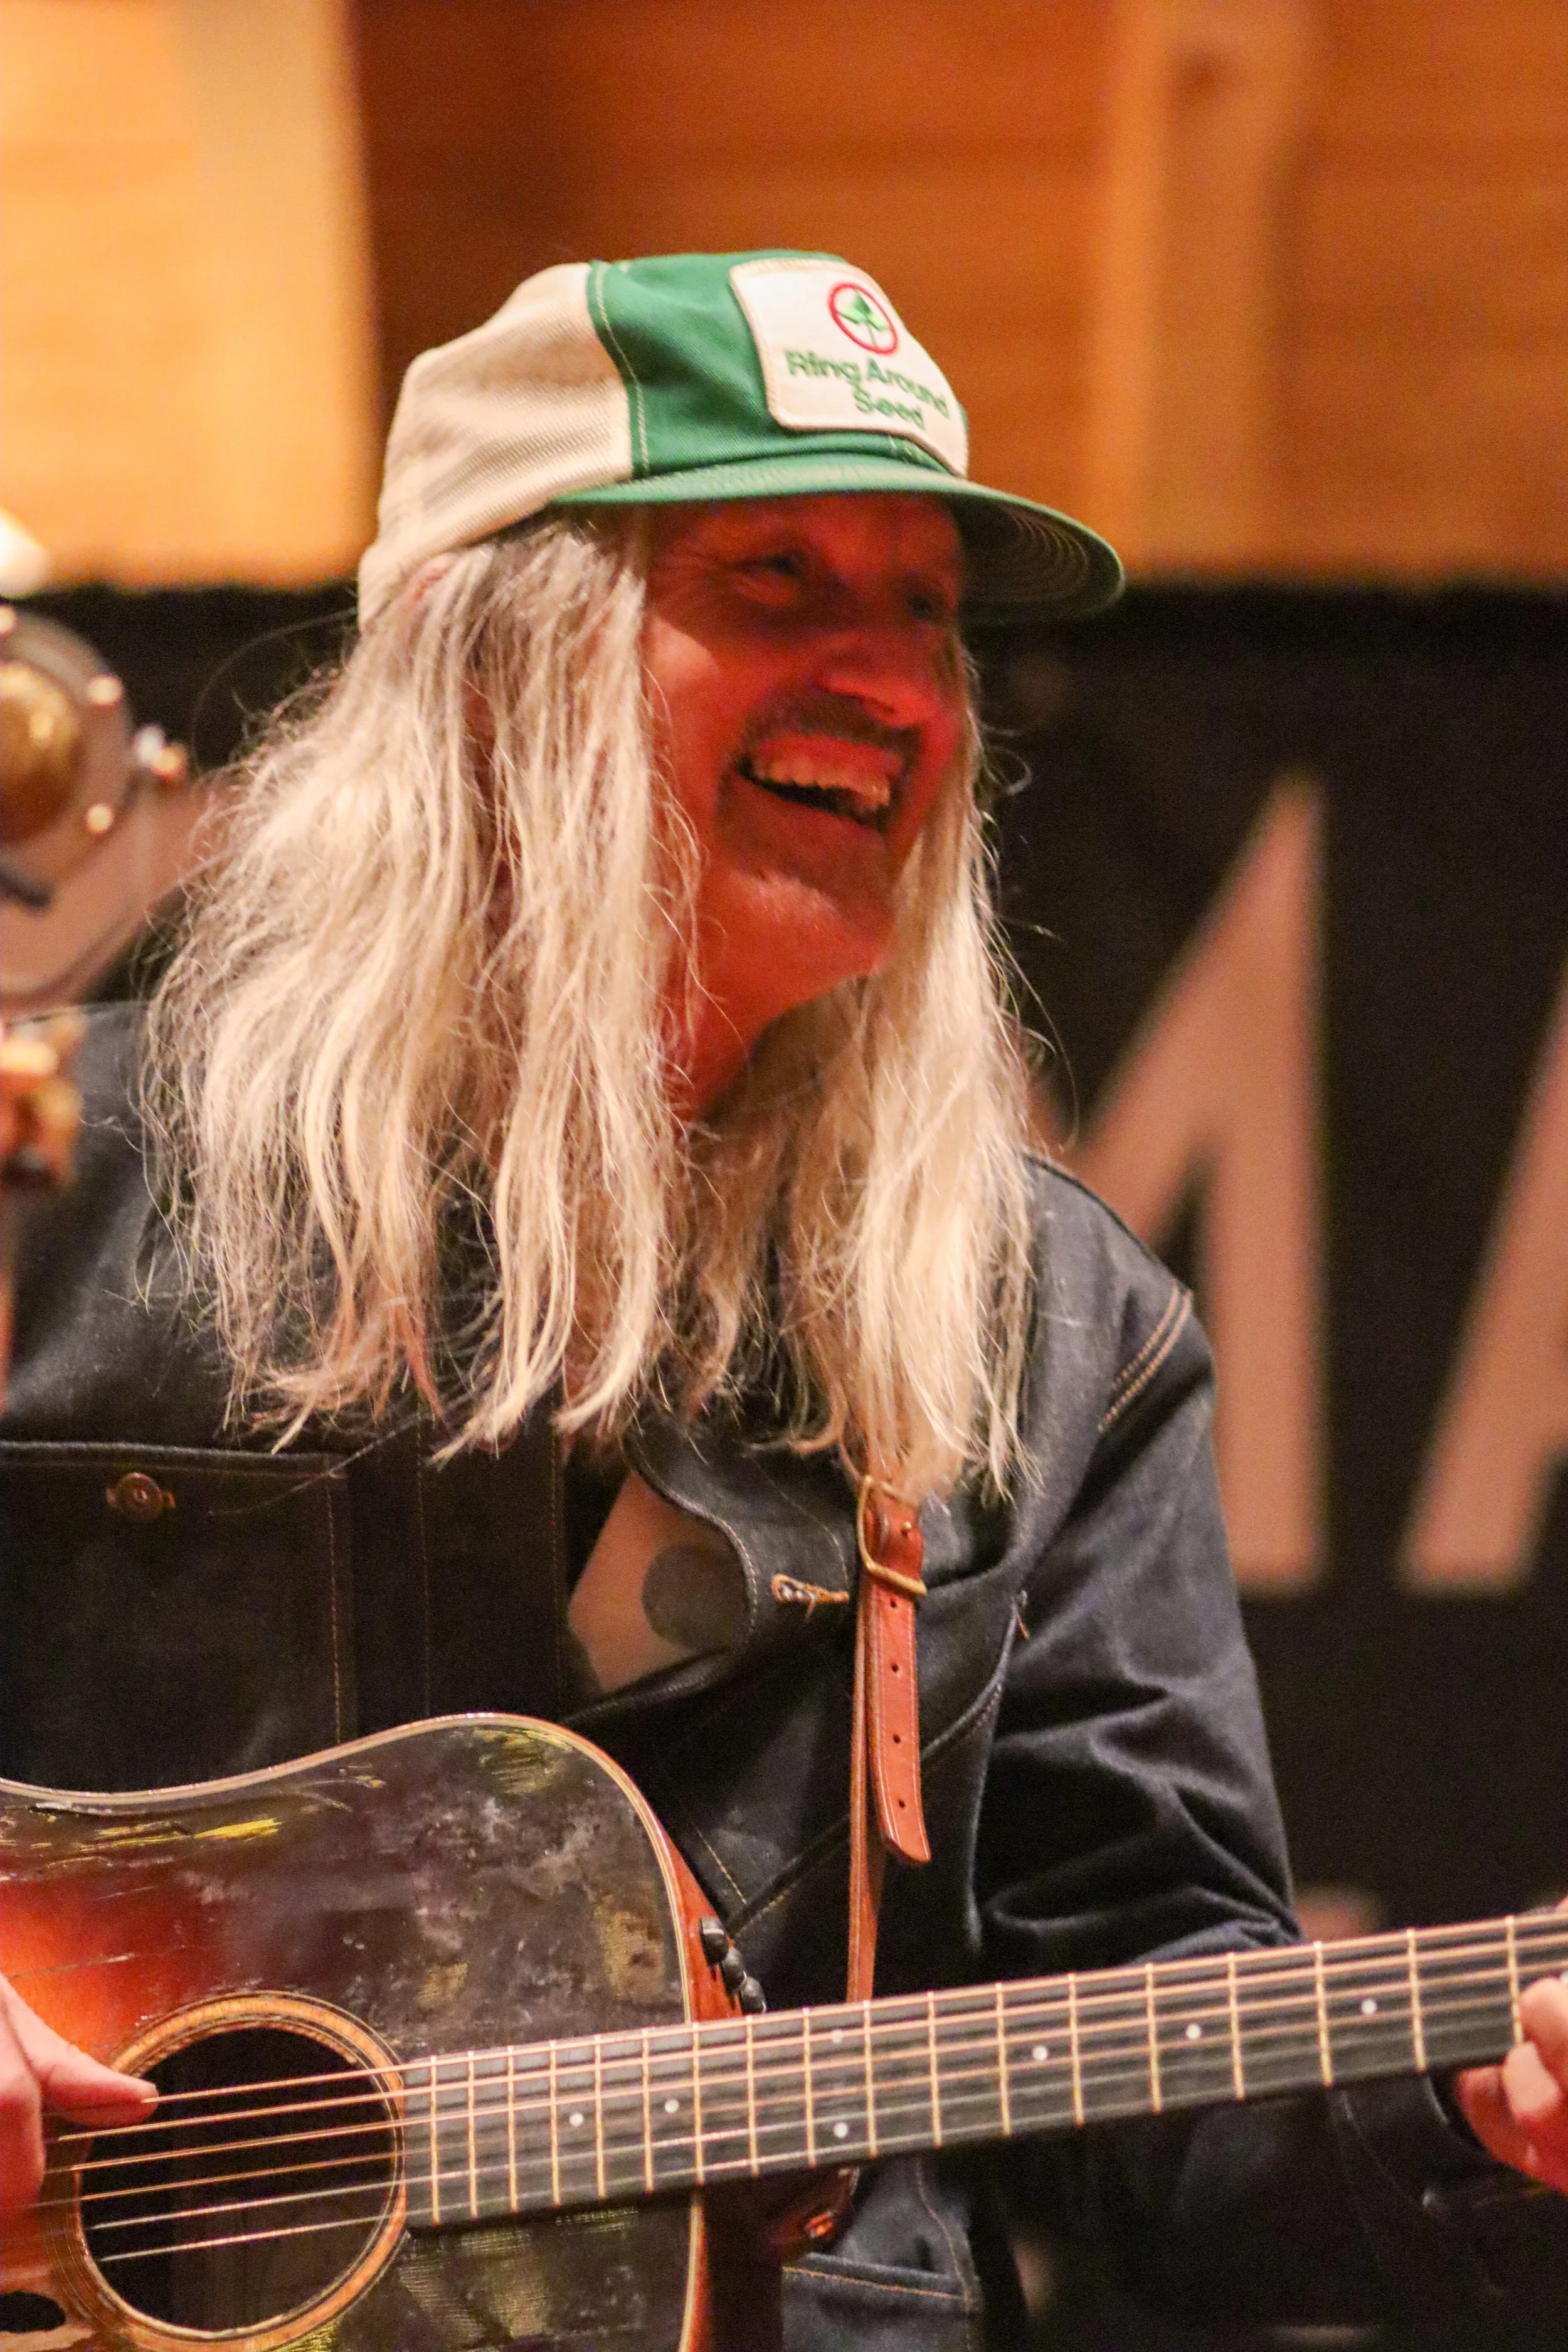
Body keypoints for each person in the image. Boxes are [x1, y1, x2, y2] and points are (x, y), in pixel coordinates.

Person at [3, 250, 1567, 2346]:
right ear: (497, 660)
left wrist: (1477, 2104)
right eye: (778, 580)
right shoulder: (53, 1181)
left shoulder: (1047, 1335)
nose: (896, 684)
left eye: (923, 609)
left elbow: (1172, 2137)